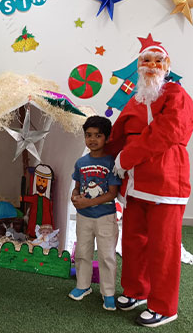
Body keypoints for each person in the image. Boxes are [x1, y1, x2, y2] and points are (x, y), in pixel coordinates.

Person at [107, 36, 193, 327]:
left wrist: (126, 158)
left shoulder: (177, 95)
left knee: (163, 248)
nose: (152, 65)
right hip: (135, 185)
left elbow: (167, 132)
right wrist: (101, 157)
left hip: (166, 181)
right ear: (138, 65)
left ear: (167, 66)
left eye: (158, 61)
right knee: (133, 241)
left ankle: (164, 306)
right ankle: (136, 291)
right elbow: (117, 136)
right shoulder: (136, 100)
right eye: (146, 60)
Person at [69, 116, 121, 311]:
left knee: (107, 256)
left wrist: (88, 202)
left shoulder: (111, 163)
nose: (92, 139)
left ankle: (108, 293)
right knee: (83, 252)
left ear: (106, 138)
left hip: (105, 217)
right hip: (84, 217)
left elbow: (112, 193)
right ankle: (83, 285)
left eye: (98, 135)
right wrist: (75, 197)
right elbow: (77, 187)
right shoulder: (81, 162)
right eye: (88, 135)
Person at [23, 164, 54, 237]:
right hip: (33, 224)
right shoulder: (35, 197)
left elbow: (50, 214)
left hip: (44, 228)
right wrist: (22, 198)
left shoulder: (47, 200)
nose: (41, 184)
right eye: (39, 180)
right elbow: (30, 199)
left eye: (44, 181)